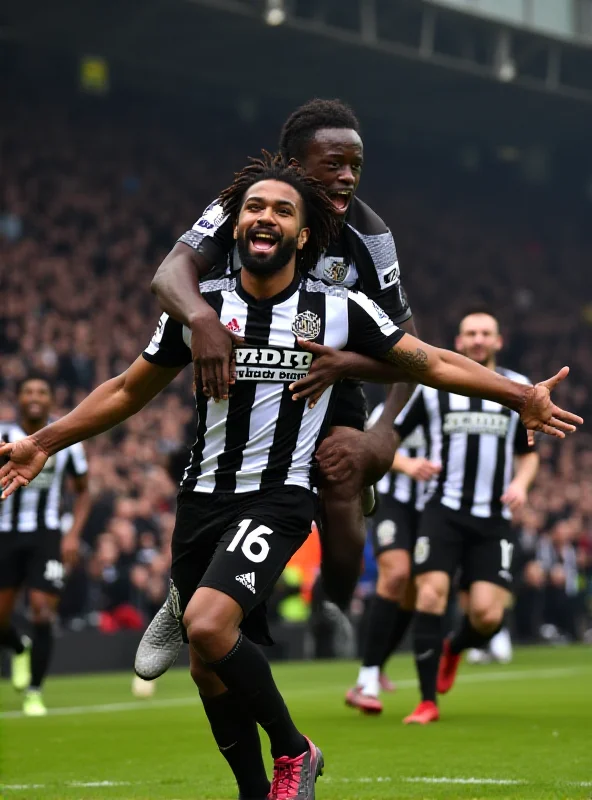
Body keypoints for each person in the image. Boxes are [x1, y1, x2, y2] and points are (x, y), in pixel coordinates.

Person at [0, 158, 581, 798]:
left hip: (278, 497)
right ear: (238, 225)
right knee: (206, 666)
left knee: (209, 626)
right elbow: (128, 389)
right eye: (255, 208)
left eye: (282, 210)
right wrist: (44, 441)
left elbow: (432, 362)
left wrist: (516, 394)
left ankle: (294, 750)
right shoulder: (205, 308)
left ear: (303, 236)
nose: (265, 217)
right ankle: (256, 790)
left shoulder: (338, 309)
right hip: (202, 498)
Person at [138, 100, 418, 682]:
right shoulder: (244, 206)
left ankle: (331, 605)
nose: (346, 176)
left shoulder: (371, 235)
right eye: (333, 163)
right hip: (241, 357)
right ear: (292, 164)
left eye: (355, 166)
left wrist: (382, 433)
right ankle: (181, 597)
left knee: (341, 483)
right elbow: (169, 274)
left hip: (328, 368)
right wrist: (204, 321)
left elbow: (410, 344)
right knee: (227, 482)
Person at [393, 309, 543, 725]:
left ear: (499, 341)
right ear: (458, 342)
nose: (478, 340)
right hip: (442, 511)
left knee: (489, 616)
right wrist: (407, 466)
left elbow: (528, 456)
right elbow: (389, 441)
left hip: (492, 518)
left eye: (486, 333)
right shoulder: (432, 390)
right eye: (470, 333)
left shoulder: (519, 390)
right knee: (429, 595)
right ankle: (426, 702)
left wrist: (521, 484)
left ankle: (454, 647)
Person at [0, 375, 90, 716]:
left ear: (51, 400)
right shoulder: (4, 435)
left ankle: (34, 691)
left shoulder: (67, 440)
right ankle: (18, 646)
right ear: (18, 398)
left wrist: (72, 534)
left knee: (41, 609)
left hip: (46, 536)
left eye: (41, 391)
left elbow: (84, 492)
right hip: (5, 534)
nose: (34, 397)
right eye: (28, 391)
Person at [346, 401, 440, 714]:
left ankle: (377, 665)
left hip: (434, 509)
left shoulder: (444, 408)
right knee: (396, 573)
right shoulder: (386, 411)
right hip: (394, 505)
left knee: (414, 594)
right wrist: (407, 466)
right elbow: (372, 451)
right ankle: (366, 679)